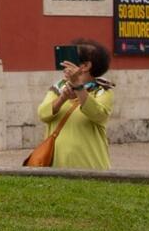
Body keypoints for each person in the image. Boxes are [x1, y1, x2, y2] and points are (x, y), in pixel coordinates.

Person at [38, 39, 115, 170]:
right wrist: (62, 98)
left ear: (85, 66)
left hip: (90, 166)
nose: (65, 63)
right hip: (57, 166)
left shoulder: (102, 90)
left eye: (71, 58)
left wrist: (79, 87)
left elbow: (99, 115)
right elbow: (43, 114)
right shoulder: (58, 87)